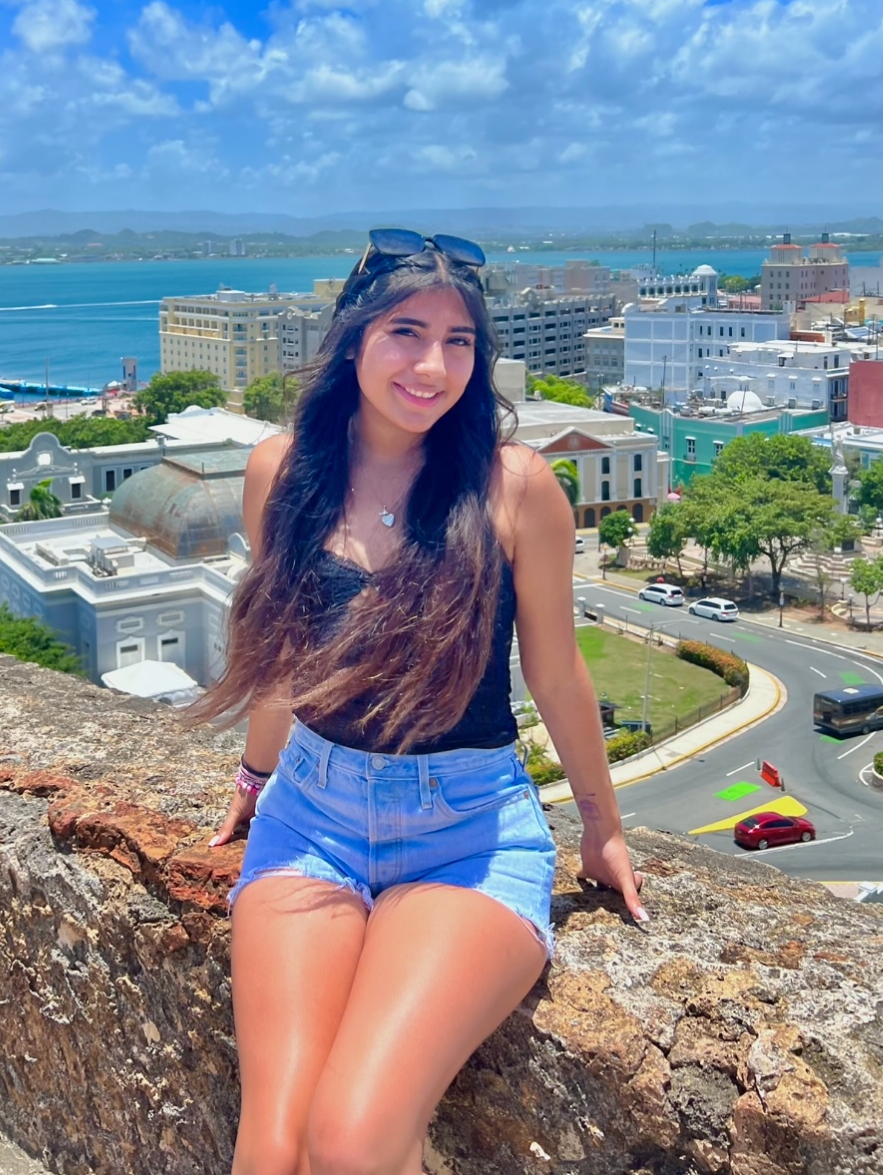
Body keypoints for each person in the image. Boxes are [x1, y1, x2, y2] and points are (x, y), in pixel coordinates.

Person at [195, 229, 645, 1175]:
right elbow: (285, 655)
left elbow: (557, 674)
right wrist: (254, 771)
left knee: (352, 1140)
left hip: (467, 830)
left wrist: (601, 829)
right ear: (353, 337)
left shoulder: (515, 489)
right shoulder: (283, 471)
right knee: (271, 1149)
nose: (432, 365)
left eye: (459, 341)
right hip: (312, 813)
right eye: (406, 331)